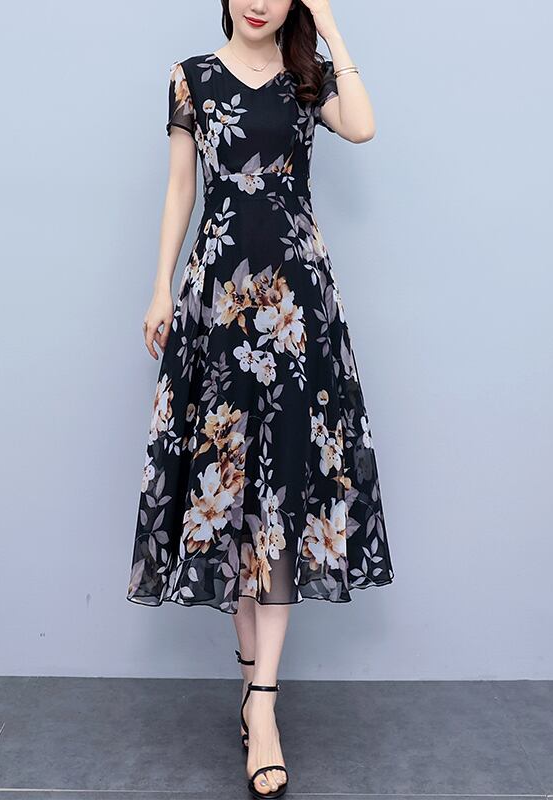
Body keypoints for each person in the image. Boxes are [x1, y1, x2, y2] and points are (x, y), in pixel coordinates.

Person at [126, 1, 394, 796]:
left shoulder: (307, 77)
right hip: (218, 307)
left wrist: (331, 30)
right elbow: (182, 189)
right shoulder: (191, 79)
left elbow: (363, 126)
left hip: (296, 310)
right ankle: (253, 690)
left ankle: (264, 707)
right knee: (231, 499)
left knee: (280, 496)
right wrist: (160, 288)